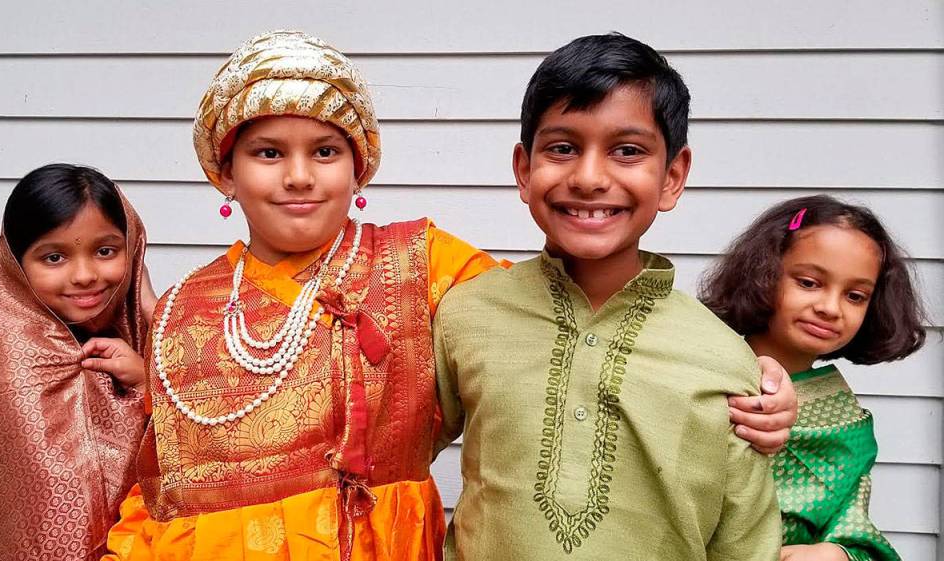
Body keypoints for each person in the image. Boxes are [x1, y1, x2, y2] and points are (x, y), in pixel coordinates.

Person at [104, 30, 794, 561]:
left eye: (325, 151)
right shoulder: (186, 304)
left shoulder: (423, 266)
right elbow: (164, 471)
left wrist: (761, 369)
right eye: (267, 153)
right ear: (225, 172)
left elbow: (563, 308)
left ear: (358, 166)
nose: (299, 176)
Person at [433, 33, 785, 560]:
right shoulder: (466, 313)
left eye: (627, 151)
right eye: (563, 148)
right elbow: (378, 452)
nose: (590, 178)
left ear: (672, 176)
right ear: (524, 170)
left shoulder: (726, 361)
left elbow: (746, 546)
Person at [700, 195, 926, 561]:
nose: (830, 308)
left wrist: (836, 553)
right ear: (764, 274)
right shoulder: (700, 369)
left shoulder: (845, 424)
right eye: (808, 283)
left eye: (855, 296)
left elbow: (854, 530)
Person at [0, 163, 154, 560]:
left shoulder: (151, 338)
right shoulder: (12, 359)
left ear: (132, 247)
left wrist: (147, 373)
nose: (84, 275)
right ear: (15, 267)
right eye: (54, 257)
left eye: (105, 251)